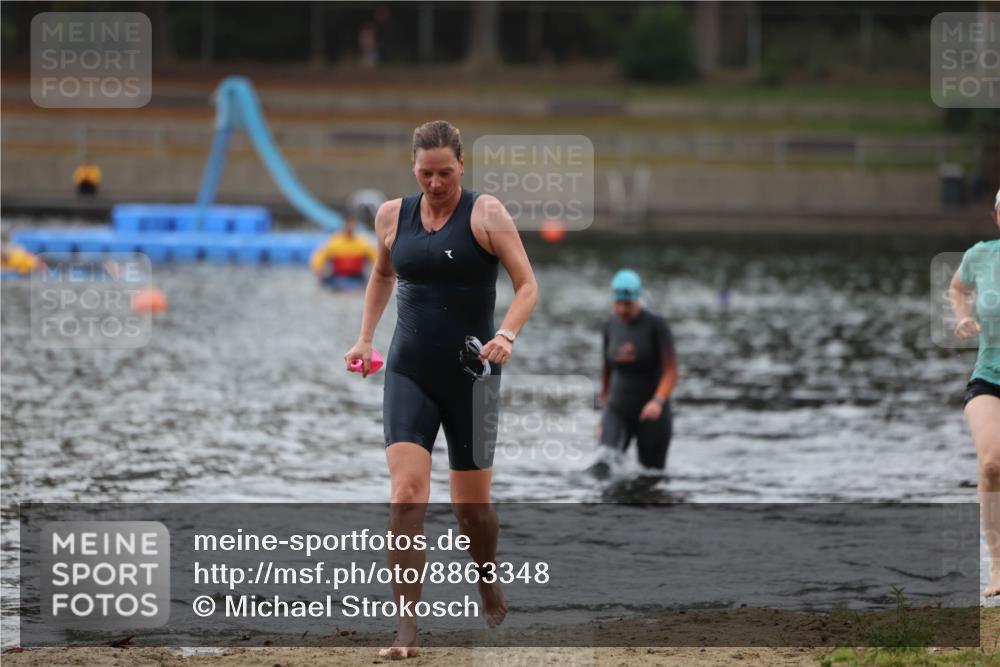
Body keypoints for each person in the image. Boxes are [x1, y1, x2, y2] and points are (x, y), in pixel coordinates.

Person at [343, 120, 538, 658]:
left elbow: (527, 286)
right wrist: (364, 338)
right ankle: (407, 631)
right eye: (426, 173)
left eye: (445, 173)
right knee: (406, 496)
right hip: (409, 371)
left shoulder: (487, 214)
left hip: (473, 378)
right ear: (413, 168)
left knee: (471, 511)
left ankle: (486, 576)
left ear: (461, 167)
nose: (435, 183)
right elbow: (382, 276)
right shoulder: (391, 215)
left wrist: (506, 333)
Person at [950, 188, 1000, 597]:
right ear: (997, 216)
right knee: (991, 463)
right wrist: (963, 317)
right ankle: (999, 568)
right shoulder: (980, 255)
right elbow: (957, 288)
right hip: (989, 377)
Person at [590, 269, 678, 480]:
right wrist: (603, 414)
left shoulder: (656, 325)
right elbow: (607, 370)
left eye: (627, 304)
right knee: (603, 464)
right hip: (617, 408)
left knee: (651, 477)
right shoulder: (610, 325)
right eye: (617, 303)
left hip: (651, 412)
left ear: (637, 299)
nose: (621, 309)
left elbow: (671, 372)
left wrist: (658, 401)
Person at [309, 215, 377, 290]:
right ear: (344, 225)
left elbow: (375, 256)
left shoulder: (363, 242)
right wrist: (318, 269)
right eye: (348, 224)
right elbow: (319, 255)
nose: (350, 227)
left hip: (357, 277)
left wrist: (376, 271)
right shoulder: (334, 241)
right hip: (337, 277)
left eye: (352, 224)